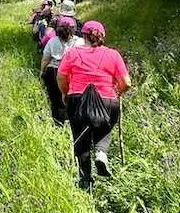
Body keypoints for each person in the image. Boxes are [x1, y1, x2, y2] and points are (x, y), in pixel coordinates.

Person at [57, 20, 131, 189]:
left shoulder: (72, 53)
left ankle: (85, 181)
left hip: (77, 99)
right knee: (105, 127)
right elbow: (126, 83)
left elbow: (61, 77)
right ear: (102, 37)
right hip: (107, 99)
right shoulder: (113, 55)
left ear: (83, 36)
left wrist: (65, 92)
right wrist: (117, 92)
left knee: (81, 139)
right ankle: (101, 153)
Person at [40, 16, 84, 126]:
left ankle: (59, 123)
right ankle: (73, 121)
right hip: (72, 73)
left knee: (56, 99)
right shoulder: (80, 42)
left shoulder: (52, 41)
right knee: (73, 98)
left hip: (54, 71)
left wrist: (42, 71)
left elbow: (46, 58)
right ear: (73, 29)